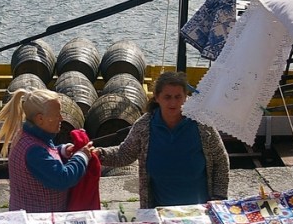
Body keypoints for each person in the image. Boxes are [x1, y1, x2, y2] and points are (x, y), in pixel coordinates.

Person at [96, 71, 229, 208]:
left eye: (178, 97)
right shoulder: (144, 126)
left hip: (199, 210)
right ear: (157, 98)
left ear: (185, 97)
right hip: (160, 211)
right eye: (167, 97)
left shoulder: (202, 125)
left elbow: (221, 160)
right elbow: (124, 154)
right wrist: (98, 154)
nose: (173, 102)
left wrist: (219, 197)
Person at [0, 88, 94, 213]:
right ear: (40, 119)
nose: (61, 118)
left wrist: (63, 151)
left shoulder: (30, 134)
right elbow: (63, 178)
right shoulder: (34, 151)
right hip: (37, 221)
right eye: (57, 115)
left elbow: (48, 154)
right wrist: (82, 156)